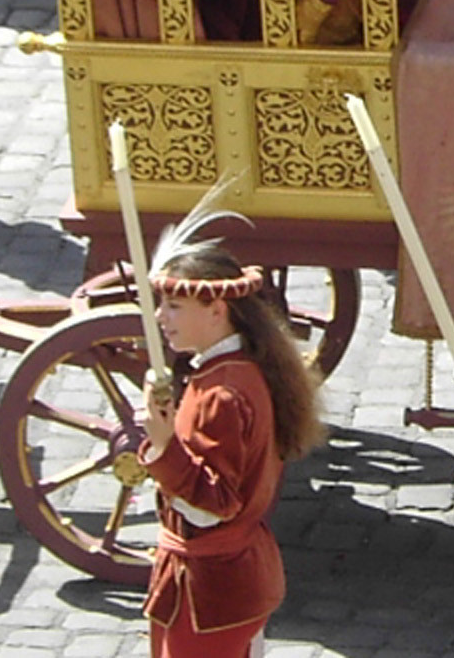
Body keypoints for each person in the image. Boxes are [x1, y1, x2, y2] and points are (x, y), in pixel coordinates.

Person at [138, 240, 325, 658]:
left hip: (210, 592)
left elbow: (212, 505)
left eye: (173, 305)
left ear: (216, 309)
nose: (159, 317)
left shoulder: (221, 394)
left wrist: (164, 445)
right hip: (228, 584)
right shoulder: (241, 371)